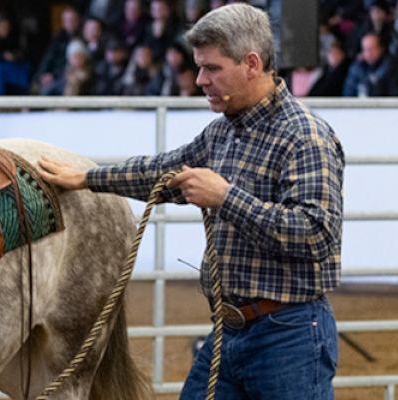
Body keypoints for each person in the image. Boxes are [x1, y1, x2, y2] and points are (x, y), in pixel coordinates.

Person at [36, 4, 343, 399]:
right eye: (199, 68)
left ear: (251, 63)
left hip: (289, 334)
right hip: (232, 330)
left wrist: (226, 198)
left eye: (212, 68)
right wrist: (87, 177)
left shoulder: (305, 137)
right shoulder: (222, 133)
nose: (200, 80)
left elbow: (317, 235)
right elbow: (162, 170)